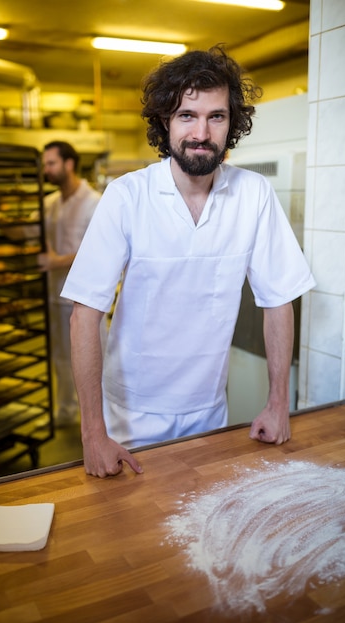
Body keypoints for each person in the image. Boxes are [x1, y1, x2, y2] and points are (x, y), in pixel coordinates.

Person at [60, 46, 316, 476]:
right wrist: (93, 434)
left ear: (232, 123)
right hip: (130, 414)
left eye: (216, 116)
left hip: (210, 411)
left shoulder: (253, 194)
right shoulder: (127, 196)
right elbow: (84, 314)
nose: (201, 131)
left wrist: (278, 404)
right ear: (165, 122)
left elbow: (278, 300)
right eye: (186, 115)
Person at [37, 140, 102, 427]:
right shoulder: (49, 203)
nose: (46, 169)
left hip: (87, 300)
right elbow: (27, 230)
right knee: (62, 359)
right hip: (55, 295)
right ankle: (65, 413)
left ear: (68, 164)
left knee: (95, 361)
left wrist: (55, 261)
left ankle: (101, 419)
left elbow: (99, 249)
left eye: (51, 163)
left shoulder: (95, 203)